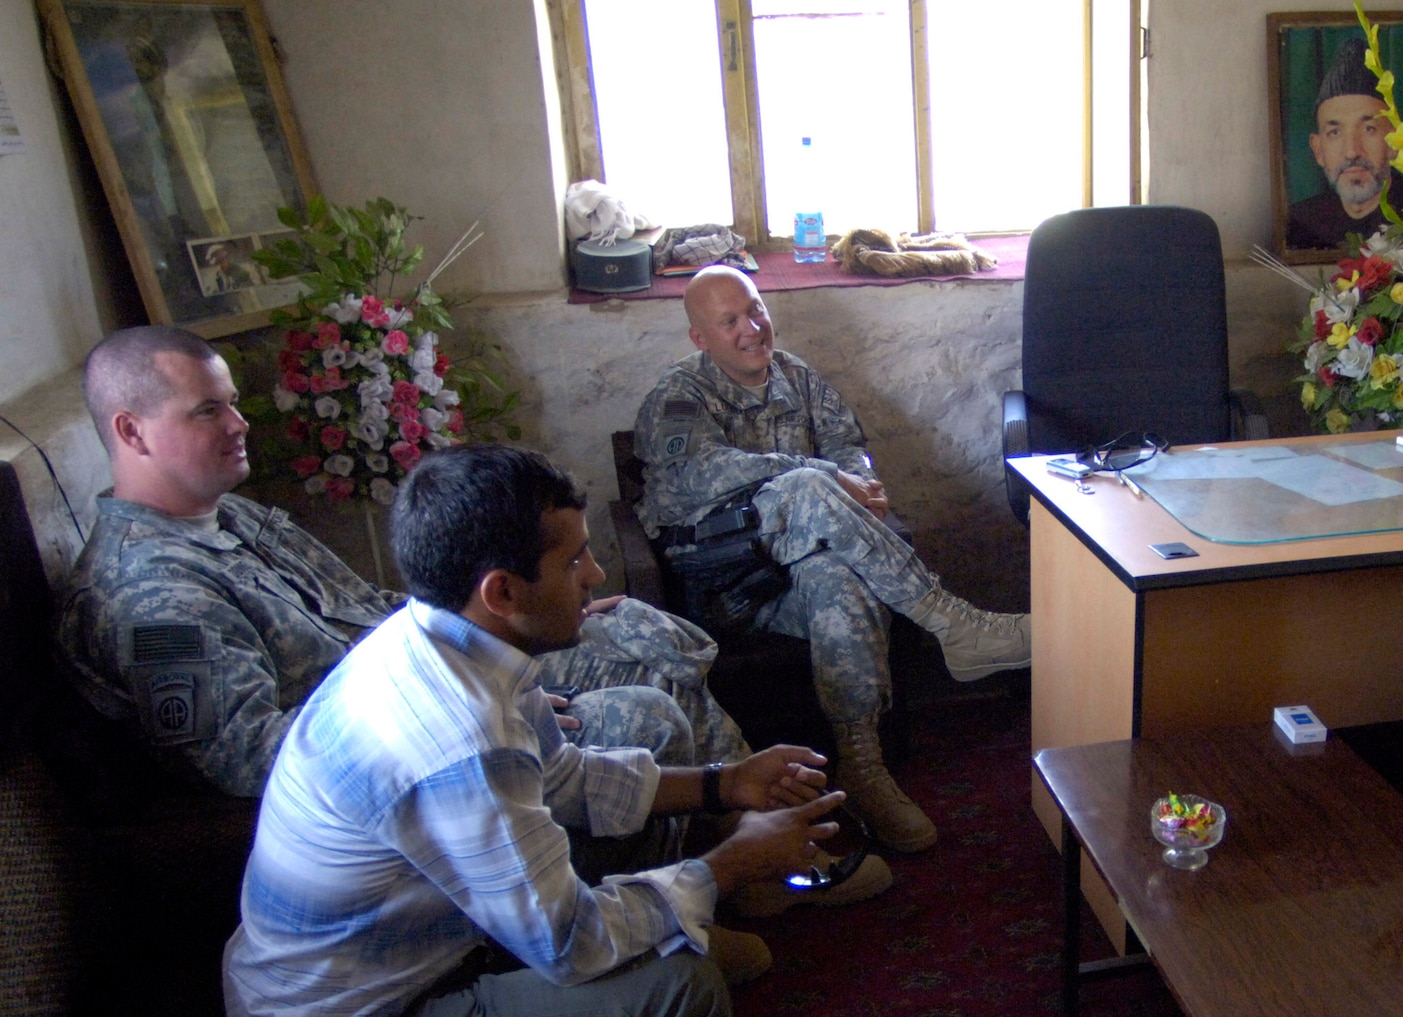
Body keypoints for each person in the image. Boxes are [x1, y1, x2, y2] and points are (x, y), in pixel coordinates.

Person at [224, 445, 833, 1017]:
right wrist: (734, 861)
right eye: (573, 559)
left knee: (647, 900)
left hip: (402, 970)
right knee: (677, 990)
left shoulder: (444, 639)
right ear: (502, 590)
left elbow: (564, 777)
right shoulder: (450, 734)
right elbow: (573, 942)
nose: (593, 574)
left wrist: (721, 783)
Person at [55, 325, 889, 921]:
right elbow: (249, 760)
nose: (239, 424)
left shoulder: (235, 520)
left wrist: (521, 630)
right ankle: (719, 876)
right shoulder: (156, 595)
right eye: (208, 411)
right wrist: (479, 702)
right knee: (643, 709)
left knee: (636, 624)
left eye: (233, 403)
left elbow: (383, 614)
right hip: (403, 745)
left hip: (423, 682)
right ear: (131, 431)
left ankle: (732, 843)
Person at [632, 265, 1031, 852]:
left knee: (837, 578)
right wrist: (818, 473)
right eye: (730, 321)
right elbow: (690, 477)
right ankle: (955, 624)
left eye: (755, 310)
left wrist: (863, 485)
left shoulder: (797, 377)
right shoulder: (679, 396)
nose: (752, 328)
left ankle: (863, 767)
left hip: (801, 574)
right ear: (700, 338)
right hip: (729, 584)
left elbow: (850, 449)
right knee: (808, 487)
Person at [1285, 38, 1403, 251]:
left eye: (1368, 129)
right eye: (1334, 132)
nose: (1352, 152)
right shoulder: (1302, 222)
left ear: (1393, 141)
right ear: (1318, 149)